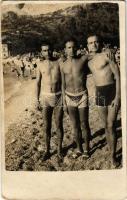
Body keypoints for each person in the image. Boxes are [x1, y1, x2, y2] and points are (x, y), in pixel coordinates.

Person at [87, 35, 120, 167]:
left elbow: (118, 76)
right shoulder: (88, 61)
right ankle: (111, 147)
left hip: (111, 91)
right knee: (106, 125)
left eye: (96, 42)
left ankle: (112, 156)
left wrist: (117, 97)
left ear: (100, 43)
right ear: (87, 46)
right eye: (91, 43)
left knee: (111, 125)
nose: (94, 44)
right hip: (99, 93)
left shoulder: (108, 55)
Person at [60, 39, 91, 158]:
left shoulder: (83, 59)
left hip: (82, 95)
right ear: (65, 49)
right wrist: (63, 102)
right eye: (68, 48)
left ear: (77, 48)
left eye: (73, 47)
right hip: (69, 96)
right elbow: (62, 84)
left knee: (84, 124)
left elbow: (96, 54)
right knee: (75, 125)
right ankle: (79, 148)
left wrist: (109, 50)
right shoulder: (62, 64)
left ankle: (87, 150)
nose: (71, 50)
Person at [36, 43, 64, 161]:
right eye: (44, 50)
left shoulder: (59, 62)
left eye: (49, 50)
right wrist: (36, 99)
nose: (47, 52)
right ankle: (47, 150)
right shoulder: (39, 65)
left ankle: (59, 150)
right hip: (45, 97)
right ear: (41, 52)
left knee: (58, 125)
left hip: (58, 96)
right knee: (46, 126)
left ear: (52, 50)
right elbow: (37, 83)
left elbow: (63, 81)